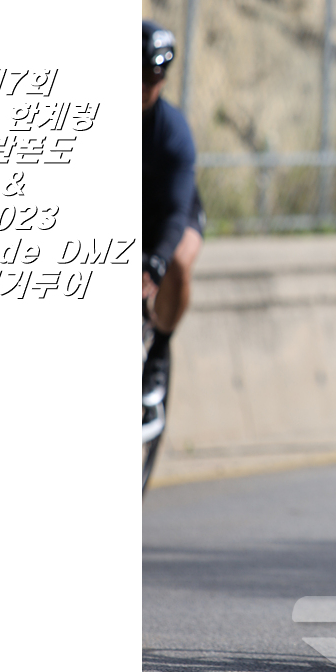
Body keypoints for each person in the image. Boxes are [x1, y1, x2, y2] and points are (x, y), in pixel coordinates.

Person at [142, 21, 205, 429]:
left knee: (179, 260)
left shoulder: (173, 131)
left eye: (155, 79)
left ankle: (159, 348)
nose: (146, 87)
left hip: (170, 215)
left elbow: (178, 212)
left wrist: (157, 261)